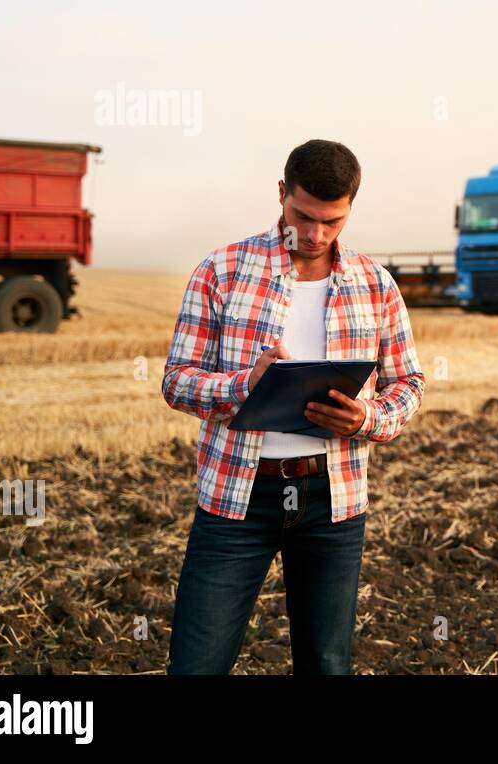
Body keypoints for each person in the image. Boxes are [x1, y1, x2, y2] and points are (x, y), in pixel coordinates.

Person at [162, 138, 424, 673]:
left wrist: (369, 418)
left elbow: (409, 384)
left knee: (326, 664)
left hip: (333, 501)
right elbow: (175, 382)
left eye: (333, 222)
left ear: (351, 207)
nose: (315, 234)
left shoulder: (376, 286)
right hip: (237, 499)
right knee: (196, 664)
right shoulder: (222, 272)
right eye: (303, 216)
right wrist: (242, 384)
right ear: (282, 193)